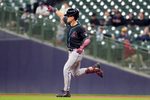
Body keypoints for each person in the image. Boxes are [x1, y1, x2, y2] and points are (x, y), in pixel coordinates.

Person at [49, 7, 103, 97]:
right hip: (71, 52)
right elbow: (61, 15)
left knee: (66, 69)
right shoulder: (69, 23)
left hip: (77, 52)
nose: (67, 17)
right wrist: (54, 10)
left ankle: (66, 91)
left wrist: (82, 47)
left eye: (69, 16)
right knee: (75, 73)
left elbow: (87, 39)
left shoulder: (79, 28)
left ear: (73, 17)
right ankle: (95, 69)